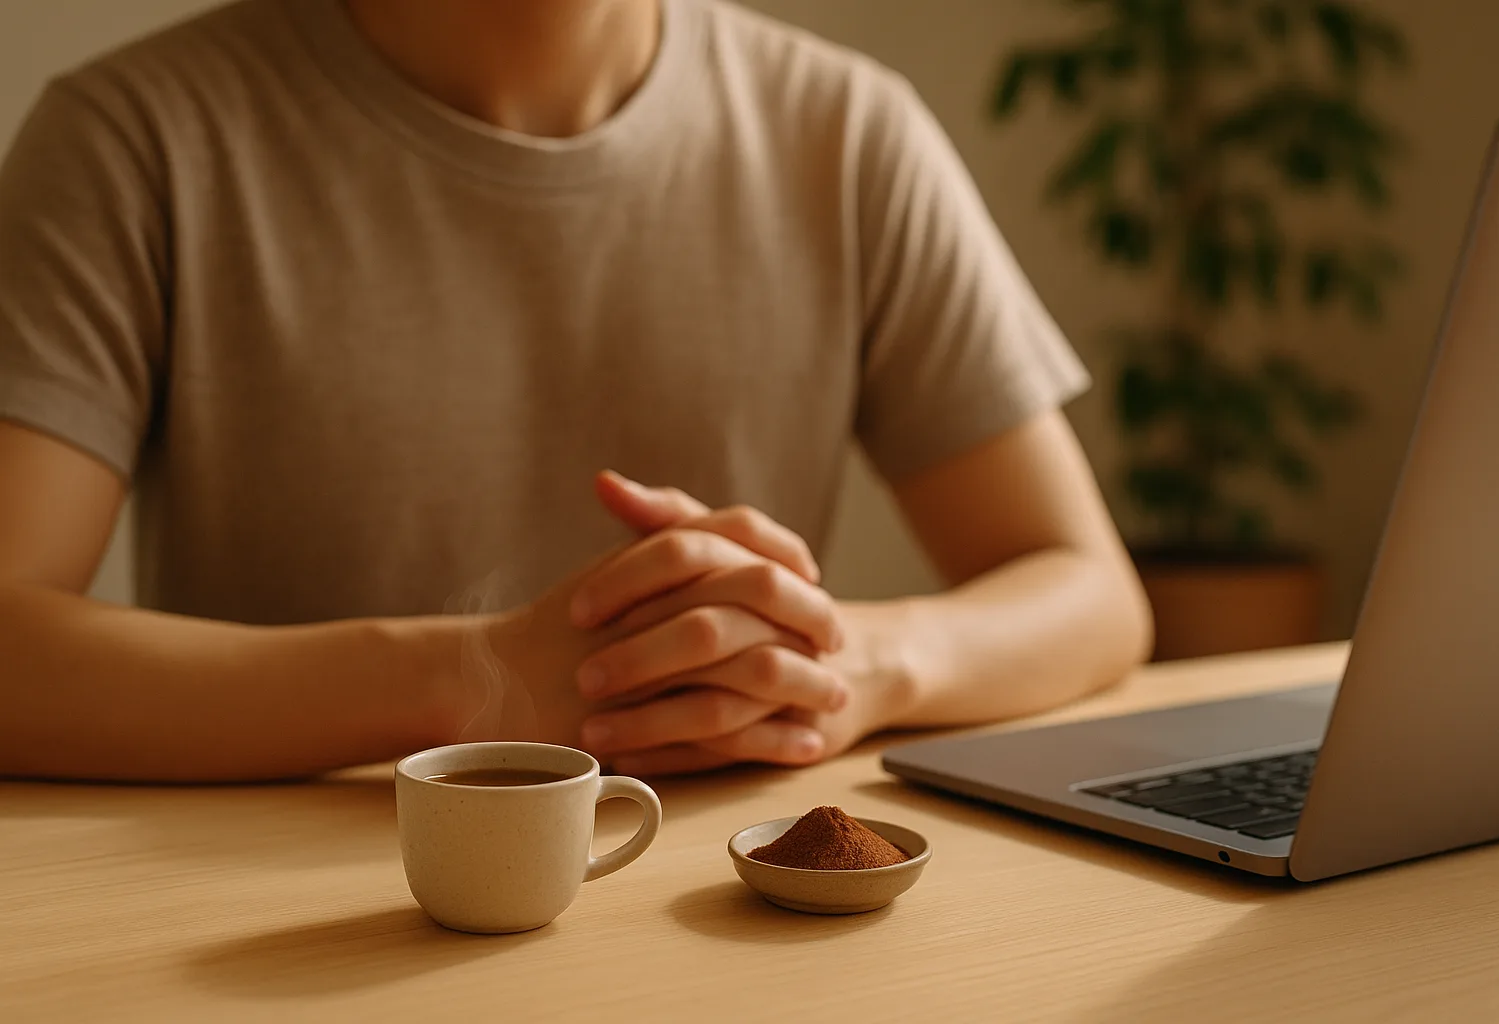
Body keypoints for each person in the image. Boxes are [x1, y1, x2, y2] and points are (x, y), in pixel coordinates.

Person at [0, 0, 1151, 783]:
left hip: (721, 922)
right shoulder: (132, 139)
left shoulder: (848, 133)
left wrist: (848, 660)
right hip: (280, 924)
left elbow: (1092, 593)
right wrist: (468, 681)